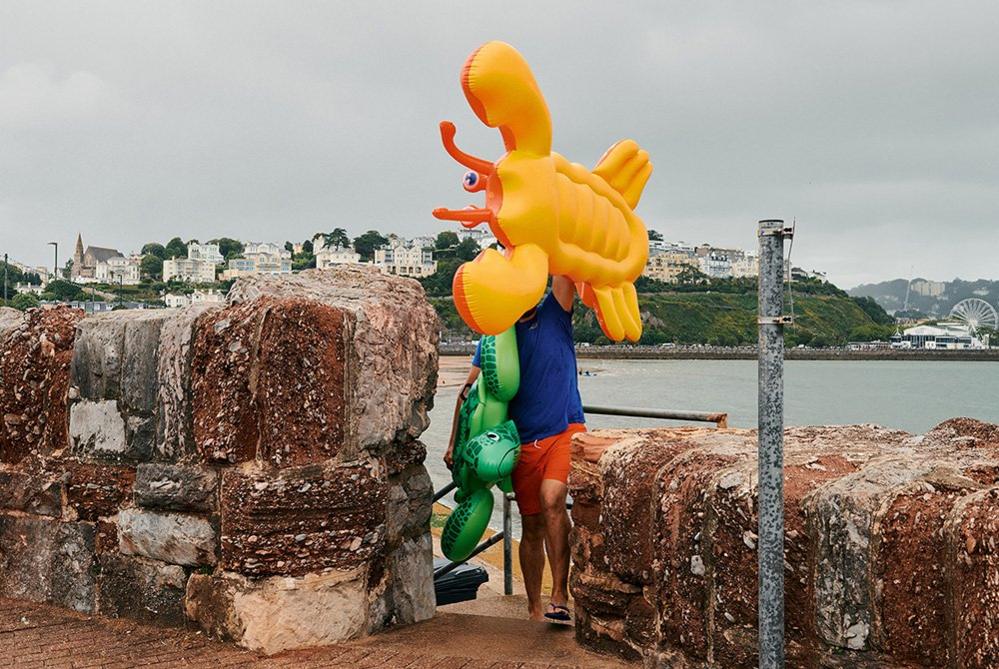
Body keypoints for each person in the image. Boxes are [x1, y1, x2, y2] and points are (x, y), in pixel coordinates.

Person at [445, 275, 584, 622]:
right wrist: (453, 443)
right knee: (532, 524)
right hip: (520, 440)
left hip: (564, 429)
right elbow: (469, 394)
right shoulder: (494, 337)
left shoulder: (554, 312)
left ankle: (560, 594)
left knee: (554, 500)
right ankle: (534, 606)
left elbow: (566, 272)